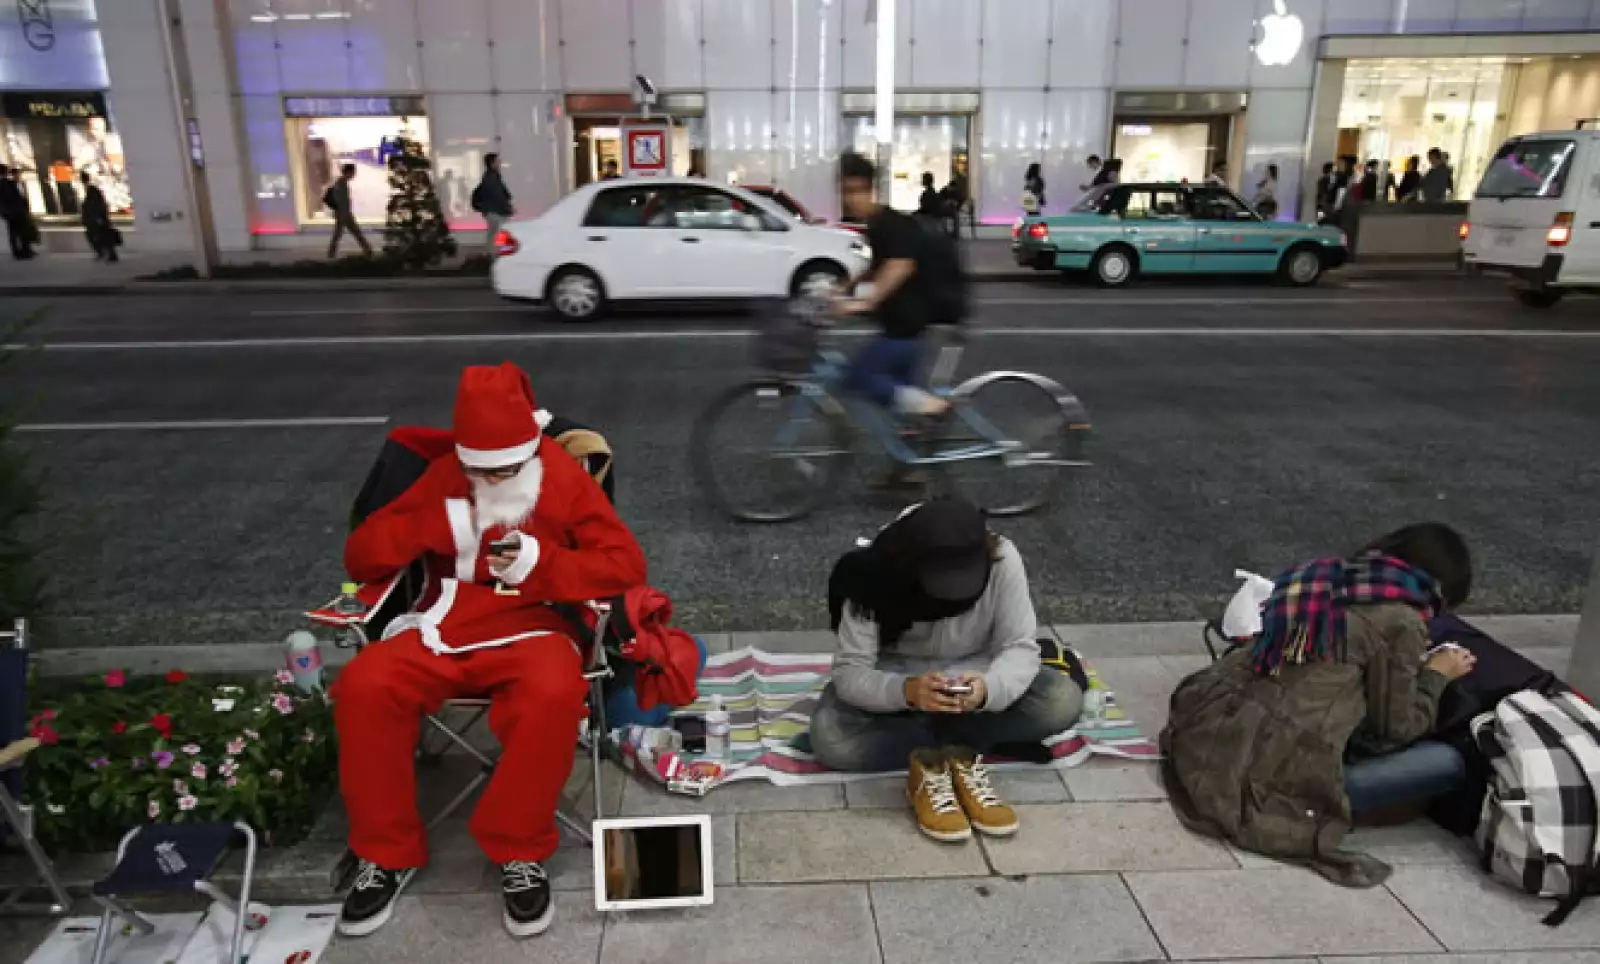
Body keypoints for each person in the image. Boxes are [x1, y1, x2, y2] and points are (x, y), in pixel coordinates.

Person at [330, 362, 647, 940]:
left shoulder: (561, 474)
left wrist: (544, 565)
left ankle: (519, 846)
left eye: (508, 467)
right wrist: (421, 527)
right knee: (363, 686)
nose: (496, 477)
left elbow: (624, 565)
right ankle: (386, 852)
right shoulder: (444, 474)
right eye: (483, 469)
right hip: (440, 623)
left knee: (554, 692)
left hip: (536, 624)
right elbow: (361, 557)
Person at [1160, 523, 1477, 887]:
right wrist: (1436, 675)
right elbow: (1394, 729)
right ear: (1439, 589)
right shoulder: (1401, 620)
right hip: (1263, 782)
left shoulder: (1319, 577)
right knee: (1449, 762)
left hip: (1205, 745)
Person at [810, 499, 1085, 840]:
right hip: (897, 681)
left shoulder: (1002, 559)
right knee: (831, 740)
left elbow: (1019, 647)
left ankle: (933, 754)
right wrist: (908, 692)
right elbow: (852, 671)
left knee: (1062, 702)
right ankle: (960, 748)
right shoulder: (873, 571)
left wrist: (987, 689)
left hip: (976, 675)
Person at [834, 152, 953, 436]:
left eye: (856, 191)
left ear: (870, 189)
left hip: (906, 326)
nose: (851, 199)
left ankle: (936, 407)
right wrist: (842, 288)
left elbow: (900, 265)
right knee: (903, 410)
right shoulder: (876, 226)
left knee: (858, 377)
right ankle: (907, 471)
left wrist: (864, 302)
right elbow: (878, 267)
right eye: (846, 192)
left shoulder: (892, 223)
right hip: (899, 324)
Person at [325, 163, 372, 258]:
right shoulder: (341, 183)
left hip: (344, 213)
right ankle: (367, 250)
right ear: (348, 172)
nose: (353, 175)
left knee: (351, 232)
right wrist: (344, 212)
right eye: (353, 172)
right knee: (344, 233)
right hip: (343, 213)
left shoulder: (342, 182)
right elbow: (341, 199)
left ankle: (367, 250)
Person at [472, 152, 515, 252]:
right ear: (492, 163)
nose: (499, 163)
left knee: (494, 234)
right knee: (500, 234)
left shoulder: (491, 176)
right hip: (496, 211)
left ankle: (492, 255)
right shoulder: (492, 178)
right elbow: (498, 195)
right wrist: (508, 208)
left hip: (492, 211)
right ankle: (498, 255)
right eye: (497, 161)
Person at [78, 171, 118, 262]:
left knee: (101, 235)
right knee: (98, 235)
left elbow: (97, 205)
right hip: (94, 219)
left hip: (96, 219)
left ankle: (108, 254)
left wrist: (99, 217)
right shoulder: (90, 190)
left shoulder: (92, 190)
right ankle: (104, 252)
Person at [0, 165, 35, 261]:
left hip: (7, 212)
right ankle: (25, 251)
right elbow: (17, 197)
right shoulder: (9, 183)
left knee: (12, 232)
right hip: (16, 211)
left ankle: (17, 251)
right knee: (22, 230)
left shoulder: (7, 183)